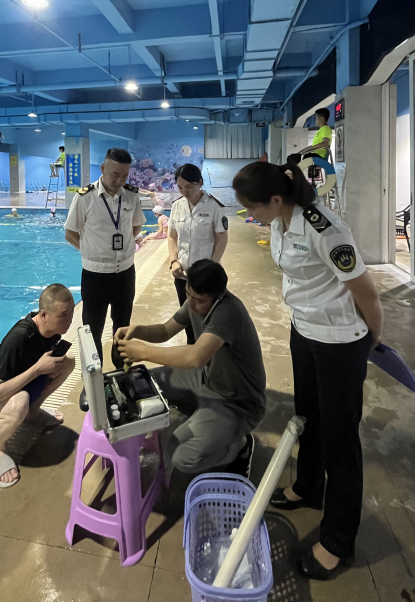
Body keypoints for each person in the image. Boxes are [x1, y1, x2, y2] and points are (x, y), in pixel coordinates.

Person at [232, 161, 384, 581]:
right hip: (305, 330)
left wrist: (372, 337)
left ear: (275, 199)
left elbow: (367, 293)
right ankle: (309, 486)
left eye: (252, 208)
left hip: (339, 341)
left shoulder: (325, 229)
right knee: (308, 417)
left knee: (340, 439)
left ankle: (337, 543)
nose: (250, 215)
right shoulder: (281, 223)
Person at [116, 259, 265, 478]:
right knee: (145, 382)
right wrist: (138, 330)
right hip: (207, 378)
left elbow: (196, 357)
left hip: (238, 401)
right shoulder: (196, 299)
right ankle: (205, 417)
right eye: (188, 294)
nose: (192, 304)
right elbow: (165, 330)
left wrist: (143, 352)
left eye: (198, 300)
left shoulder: (228, 312)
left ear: (219, 296)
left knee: (182, 456)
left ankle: (240, 446)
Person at [0, 283, 76, 488]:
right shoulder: (18, 339)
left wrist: (43, 370)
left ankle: (32, 413)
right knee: (20, 401)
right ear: (43, 315)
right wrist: (37, 369)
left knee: (67, 361)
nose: (69, 319)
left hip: (12, 392)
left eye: (71, 312)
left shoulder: (52, 331)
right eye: (63, 315)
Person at [65, 147, 145, 369]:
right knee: (92, 328)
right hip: (95, 274)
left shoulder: (131, 195)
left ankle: (121, 369)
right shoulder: (85, 197)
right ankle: (94, 377)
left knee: (122, 325)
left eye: (124, 176)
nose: (119, 181)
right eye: (115, 175)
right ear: (103, 169)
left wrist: (123, 248)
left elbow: (136, 226)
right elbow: (70, 233)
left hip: (125, 273)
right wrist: (90, 251)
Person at [168, 163, 228, 344]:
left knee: (207, 320)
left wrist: (212, 266)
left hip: (205, 277)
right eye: (180, 187)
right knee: (187, 318)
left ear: (200, 182)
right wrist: (174, 260)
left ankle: (208, 354)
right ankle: (192, 349)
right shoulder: (177, 206)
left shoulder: (214, 207)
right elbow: (172, 236)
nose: (185, 192)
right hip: (183, 275)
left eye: (189, 187)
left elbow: (222, 238)